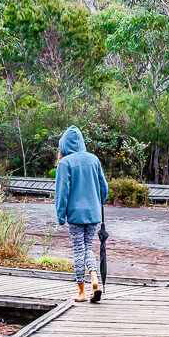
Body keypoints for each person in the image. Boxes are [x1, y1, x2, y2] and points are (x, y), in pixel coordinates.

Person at [54, 125, 109, 303]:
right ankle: (94, 278)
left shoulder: (65, 163)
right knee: (87, 247)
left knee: (79, 249)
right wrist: (99, 201)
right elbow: (104, 187)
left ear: (64, 145)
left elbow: (62, 192)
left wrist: (61, 215)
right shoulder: (93, 159)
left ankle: (82, 292)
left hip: (76, 215)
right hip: (94, 214)